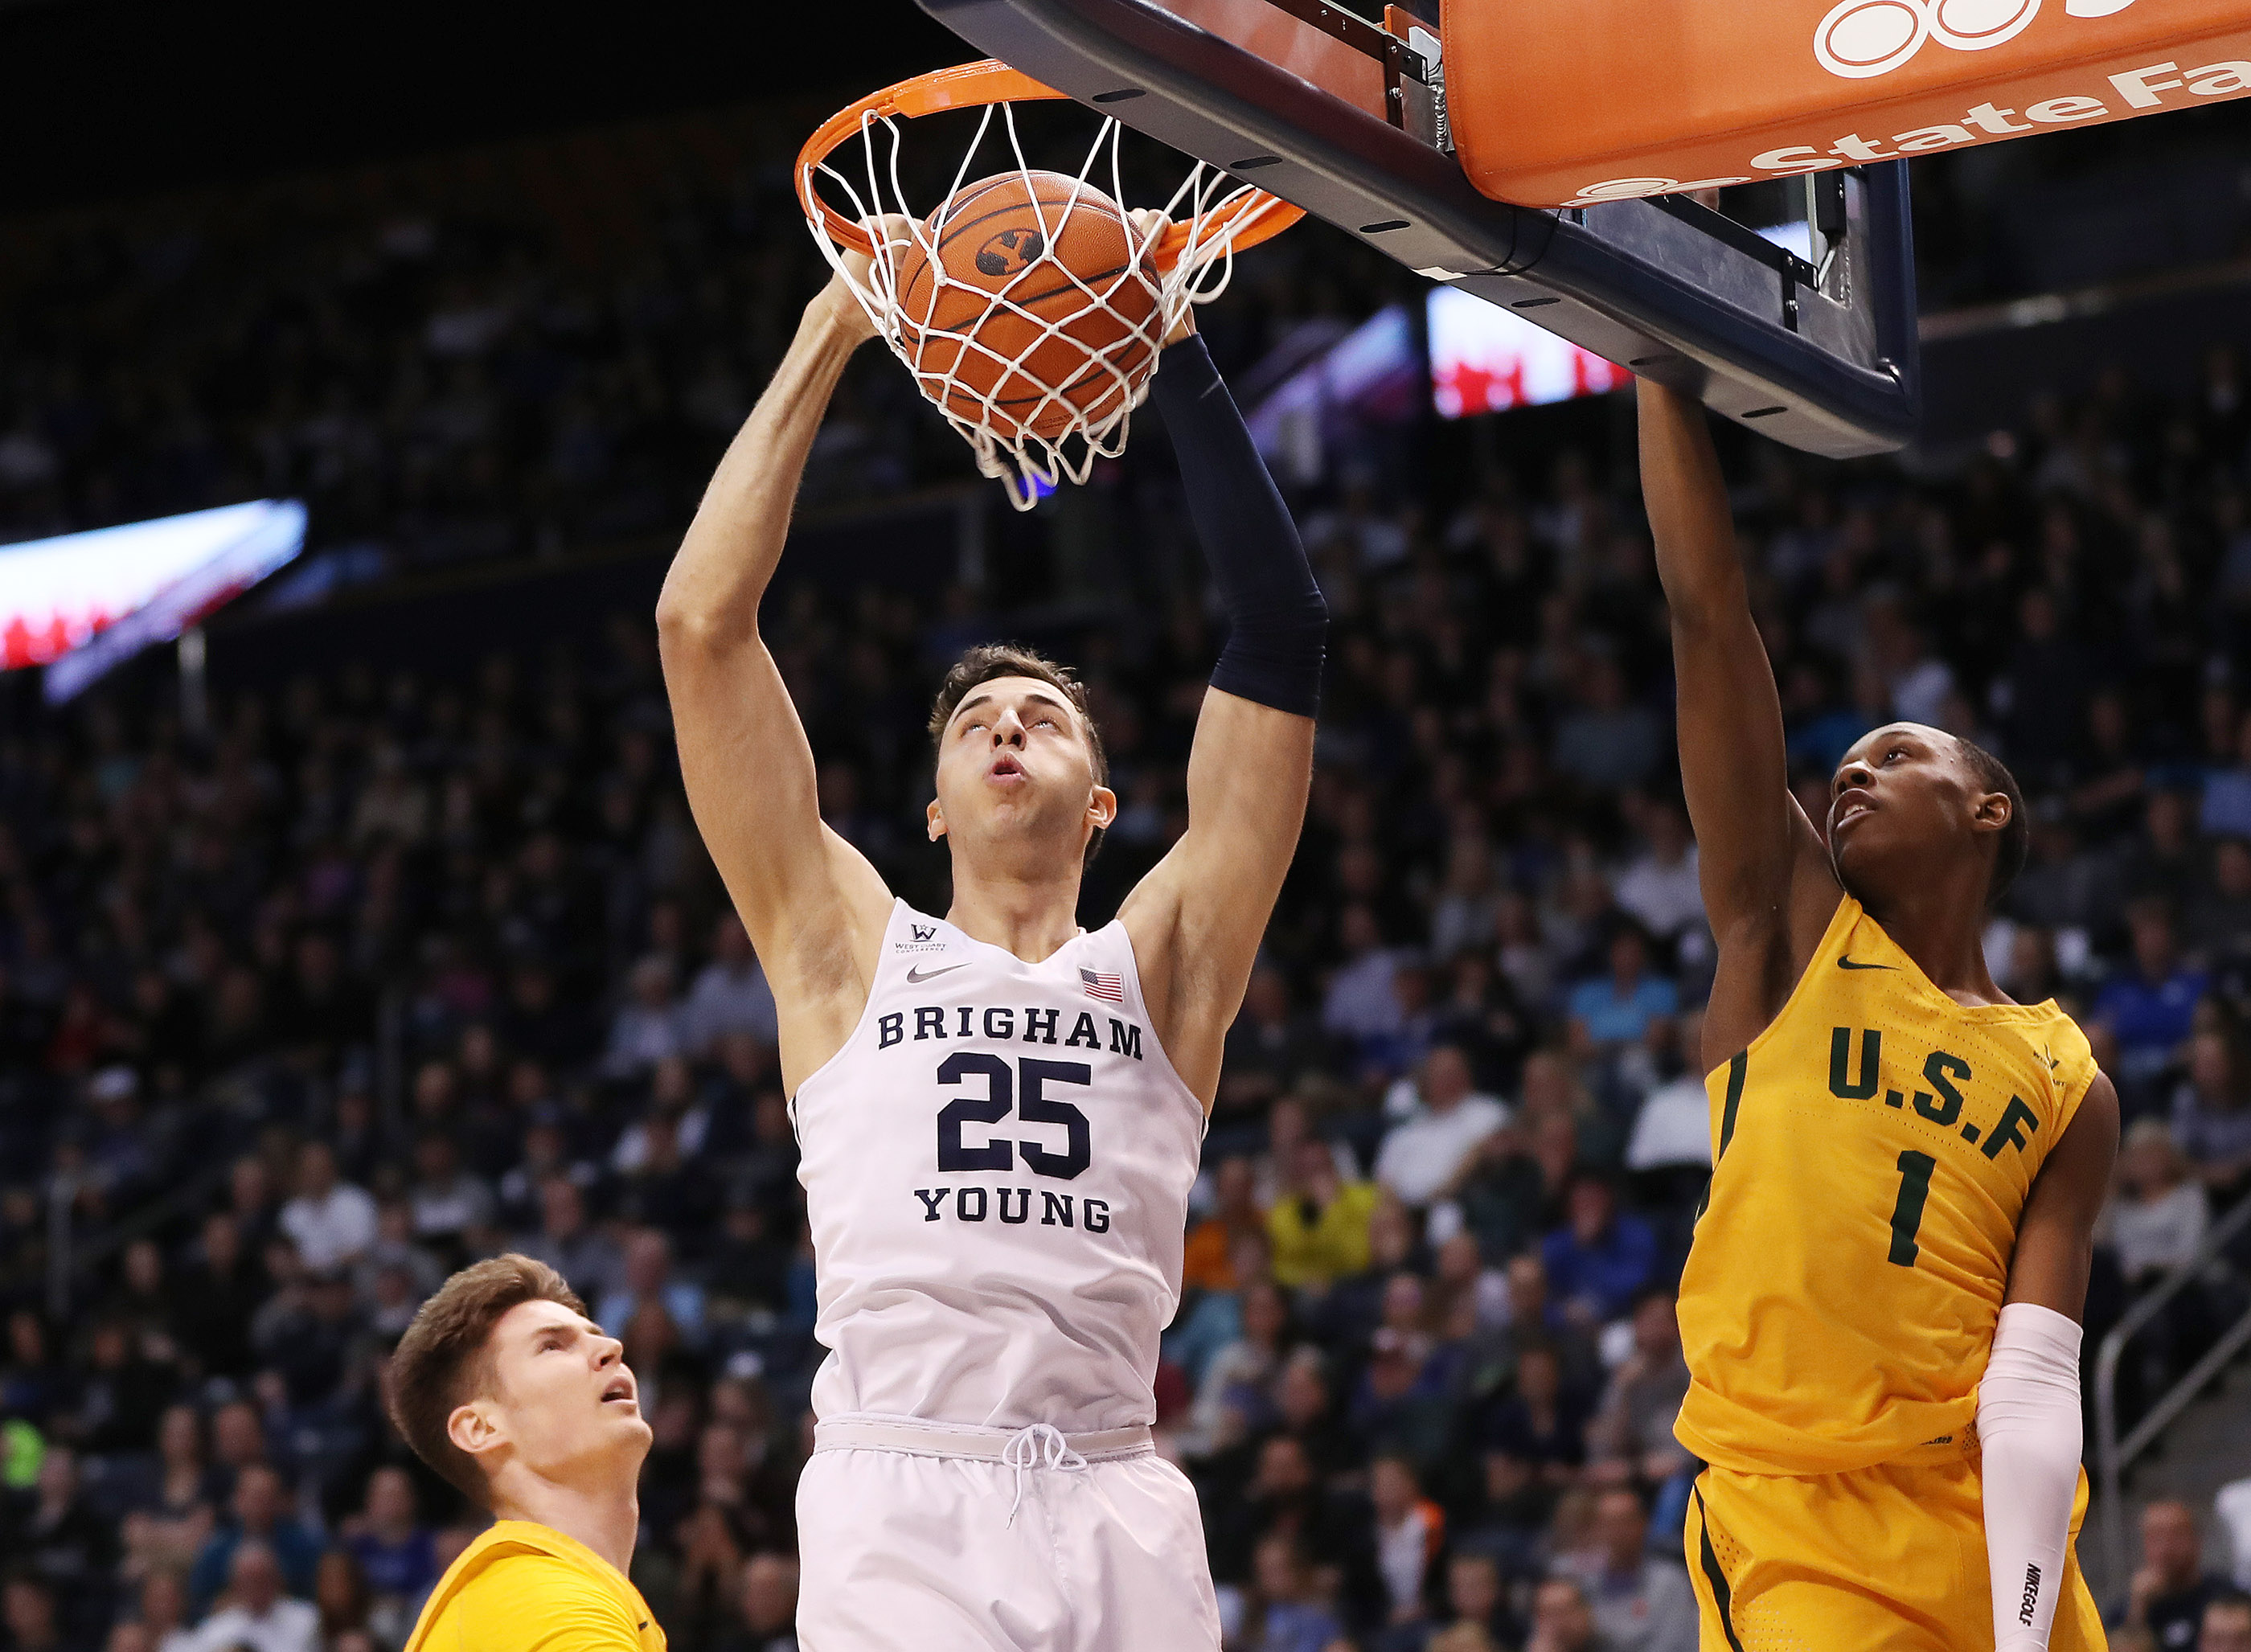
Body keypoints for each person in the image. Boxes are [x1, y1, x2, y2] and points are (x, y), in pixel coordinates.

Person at [656, 214, 1322, 1651]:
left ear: (1103, 808)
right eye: (975, 723)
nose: (1008, 727)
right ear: (937, 811)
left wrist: (1178, 338)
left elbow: (1279, 628)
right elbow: (701, 628)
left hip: (1116, 1489)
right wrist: (834, 330)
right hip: (906, 1487)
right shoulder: (844, 953)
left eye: (1046, 718)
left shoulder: (1167, 965)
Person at [1639, 380, 2120, 1651]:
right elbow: (1707, 615)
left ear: (1989, 808)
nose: (1855, 765)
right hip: (1804, 1527)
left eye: (1901, 754)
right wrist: (1649, 354)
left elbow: (2032, 1375)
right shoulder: (1786, 931)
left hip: (1989, 1510)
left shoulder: (2066, 1072)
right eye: (1848, 758)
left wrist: (2024, 1627)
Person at [391, 1254, 664, 1650]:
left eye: (597, 1334)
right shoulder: (542, 1604)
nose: (612, 1346)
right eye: (552, 1346)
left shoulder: (537, 1595)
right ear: (481, 1428)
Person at [2106, 1500, 2226, 1650]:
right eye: (2156, 1537)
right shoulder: (2123, 1612)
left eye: (2176, 1535)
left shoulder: (2224, 1596)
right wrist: (2138, 1609)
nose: (2166, 1548)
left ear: (2197, 1540)